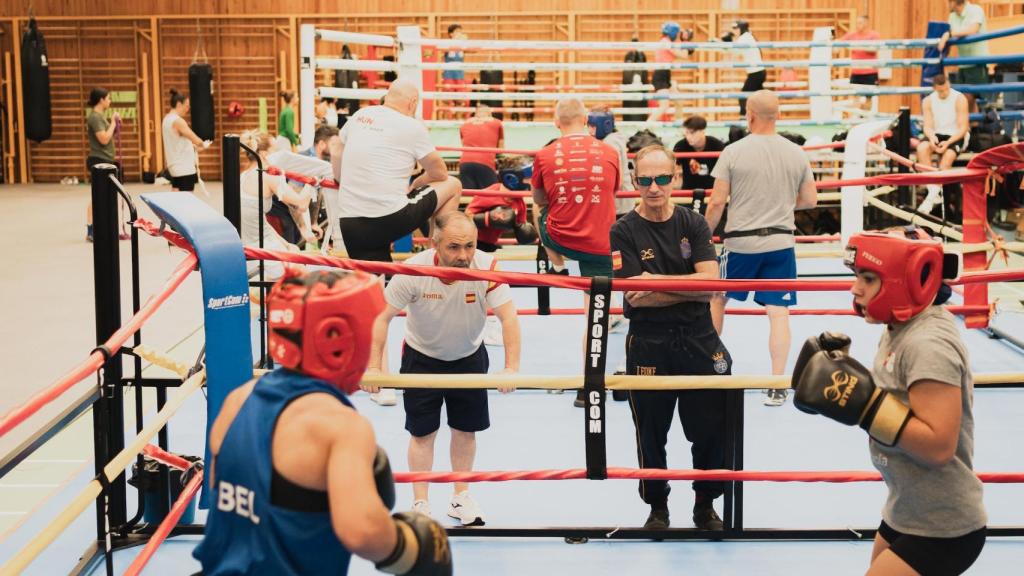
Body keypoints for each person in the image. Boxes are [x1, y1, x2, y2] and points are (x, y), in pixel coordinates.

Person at [193, 268, 452, 575]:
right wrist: (412, 545)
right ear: (336, 339)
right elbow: (362, 531)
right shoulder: (340, 426)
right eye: (367, 330)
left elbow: (218, 488)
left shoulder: (239, 398)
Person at [791, 231, 986, 576]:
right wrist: (844, 381)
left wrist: (866, 408)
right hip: (905, 509)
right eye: (856, 277)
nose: (855, 289)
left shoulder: (929, 343)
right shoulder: (899, 326)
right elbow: (896, 399)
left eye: (868, 279)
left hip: (942, 525)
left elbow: (940, 446)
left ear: (906, 281)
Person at [366, 212, 521, 526]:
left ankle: (460, 496)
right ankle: (420, 502)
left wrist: (510, 368)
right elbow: (380, 318)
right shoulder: (412, 270)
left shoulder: (487, 266)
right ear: (434, 243)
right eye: (454, 247)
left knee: (465, 431)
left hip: (469, 357)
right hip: (421, 358)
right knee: (423, 433)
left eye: (469, 246)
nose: (463, 256)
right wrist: (371, 367)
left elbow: (509, 318)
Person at [611, 144, 730, 532]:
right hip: (649, 339)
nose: (654, 187)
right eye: (645, 179)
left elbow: (711, 285)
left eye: (662, 178)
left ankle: (704, 505)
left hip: (698, 335)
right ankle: (657, 507)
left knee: (710, 427)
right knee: (650, 429)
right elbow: (632, 294)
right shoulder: (623, 229)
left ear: (675, 178)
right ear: (634, 180)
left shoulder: (693, 223)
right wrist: (689, 285)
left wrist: (656, 285)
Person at [705, 90, 817, 406]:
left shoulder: (734, 151)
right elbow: (810, 200)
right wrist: (780, 206)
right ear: (777, 115)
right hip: (781, 241)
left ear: (749, 114)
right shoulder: (796, 152)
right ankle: (778, 383)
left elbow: (716, 202)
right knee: (778, 313)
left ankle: (709, 368)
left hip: (741, 242)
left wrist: (703, 236)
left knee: (717, 298)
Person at [532, 98, 619, 407]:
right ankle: (590, 383)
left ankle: (555, 263)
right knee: (596, 315)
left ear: (557, 123)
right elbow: (613, 192)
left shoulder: (543, 154)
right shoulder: (610, 151)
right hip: (601, 242)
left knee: (538, 210)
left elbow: (540, 198)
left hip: (560, 237)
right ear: (586, 120)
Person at [333, 79, 463, 262]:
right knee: (453, 184)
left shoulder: (360, 114)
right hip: (389, 218)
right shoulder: (411, 126)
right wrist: (418, 182)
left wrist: (340, 180)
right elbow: (440, 173)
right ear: (413, 103)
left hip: (350, 222)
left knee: (374, 283)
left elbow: (336, 150)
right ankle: (436, 259)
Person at [239, 132, 314, 280]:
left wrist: (285, 243)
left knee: (295, 248)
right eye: (276, 149)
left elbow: (259, 221)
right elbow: (301, 204)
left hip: (247, 242)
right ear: (265, 154)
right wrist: (312, 180)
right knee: (302, 270)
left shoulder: (243, 175)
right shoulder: (269, 176)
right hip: (259, 247)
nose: (280, 153)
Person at [917, 74, 969, 215]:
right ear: (935, 88)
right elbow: (927, 126)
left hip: (956, 135)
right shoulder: (928, 101)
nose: (944, 93)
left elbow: (963, 127)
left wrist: (948, 143)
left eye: (946, 89)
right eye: (941, 91)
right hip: (938, 133)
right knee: (922, 148)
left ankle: (933, 197)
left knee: (946, 162)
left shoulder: (959, 98)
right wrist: (932, 137)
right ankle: (934, 192)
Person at [465, 155, 538, 252]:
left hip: (490, 244)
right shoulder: (491, 193)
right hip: (471, 241)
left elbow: (521, 226)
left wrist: (523, 231)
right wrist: (487, 219)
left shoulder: (519, 203)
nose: (532, 182)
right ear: (513, 179)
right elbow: (466, 216)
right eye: (529, 178)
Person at [938, 0, 989, 112]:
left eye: (949, 1)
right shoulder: (952, 16)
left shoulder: (976, 10)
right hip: (963, 64)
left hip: (977, 62)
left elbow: (973, 29)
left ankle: (972, 126)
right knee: (964, 97)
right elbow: (950, 35)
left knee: (969, 97)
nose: (947, 4)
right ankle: (973, 127)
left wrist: (950, 34)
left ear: (955, 2)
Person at [85, 87, 121, 242]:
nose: (110, 101)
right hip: (98, 160)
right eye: (108, 98)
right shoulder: (95, 117)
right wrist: (113, 122)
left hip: (106, 159)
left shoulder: (101, 117)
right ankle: (91, 230)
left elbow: (110, 135)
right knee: (97, 196)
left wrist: (115, 125)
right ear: (101, 100)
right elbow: (104, 139)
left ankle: (104, 228)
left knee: (107, 197)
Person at [161, 88, 209, 193]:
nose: (188, 108)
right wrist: (204, 144)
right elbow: (196, 139)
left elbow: (178, 142)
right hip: (184, 168)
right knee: (186, 202)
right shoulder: (178, 121)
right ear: (179, 104)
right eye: (186, 105)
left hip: (175, 167)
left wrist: (193, 147)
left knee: (176, 199)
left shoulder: (166, 119)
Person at [647, 22, 693, 123]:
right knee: (664, 106)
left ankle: (679, 127)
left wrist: (685, 43)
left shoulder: (668, 41)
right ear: (673, 33)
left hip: (666, 74)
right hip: (660, 75)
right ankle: (645, 127)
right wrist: (685, 41)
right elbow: (683, 55)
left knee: (679, 102)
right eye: (677, 33)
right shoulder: (665, 42)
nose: (678, 35)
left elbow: (684, 53)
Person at [458, 104, 504, 191]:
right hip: (485, 162)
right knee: (492, 196)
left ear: (476, 114)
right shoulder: (496, 122)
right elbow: (500, 150)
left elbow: (463, 144)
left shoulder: (464, 124)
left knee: (468, 196)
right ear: (489, 114)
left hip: (465, 163)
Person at [839, 15, 881, 110]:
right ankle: (855, 121)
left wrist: (855, 46)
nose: (858, 25)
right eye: (857, 23)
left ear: (866, 23)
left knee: (868, 99)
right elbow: (839, 43)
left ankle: (866, 121)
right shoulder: (852, 35)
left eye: (860, 23)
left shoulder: (874, 35)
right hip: (856, 72)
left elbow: (874, 49)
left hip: (870, 72)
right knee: (855, 98)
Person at [726, 20, 765, 117]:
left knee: (743, 96)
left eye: (736, 28)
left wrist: (723, 43)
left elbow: (735, 52)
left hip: (756, 73)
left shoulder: (745, 38)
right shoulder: (746, 36)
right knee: (761, 99)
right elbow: (735, 51)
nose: (734, 31)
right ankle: (765, 117)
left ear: (741, 28)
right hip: (757, 72)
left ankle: (742, 120)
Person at [443, 24, 468, 118]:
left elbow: (474, 50)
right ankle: (445, 122)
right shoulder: (447, 43)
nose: (459, 33)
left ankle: (458, 121)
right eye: (457, 31)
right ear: (451, 34)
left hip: (460, 76)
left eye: (460, 31)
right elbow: (442, 49)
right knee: (447, 100)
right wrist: (455, 41)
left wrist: (466, 42)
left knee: (460, 100)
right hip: (449, 75)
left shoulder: (462, 45)